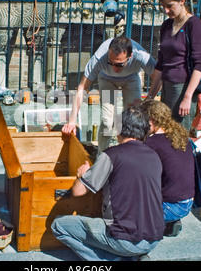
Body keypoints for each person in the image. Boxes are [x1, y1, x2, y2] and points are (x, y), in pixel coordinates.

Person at [51, 105, 164, 261]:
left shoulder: (112, 155)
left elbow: (78, 191)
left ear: (119, 129)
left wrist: (82, 175)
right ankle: (133, 258)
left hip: (125, 238)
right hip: (155, 237)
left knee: (59, 226)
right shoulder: (154, 156)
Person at [62, 36, 156, 154]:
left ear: (130, 56)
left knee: (133, 120)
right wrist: (71, 121)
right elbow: (82, 88)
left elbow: (158, 76)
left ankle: (131, 154)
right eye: (110, 62)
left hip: (131, 79)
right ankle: (101, 156)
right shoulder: (99, 57)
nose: (114, 68)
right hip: (107, 80)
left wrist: (148, 100)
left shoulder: (140, 54)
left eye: (119, 64)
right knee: (107, 122)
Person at [146, 0, 201, 132]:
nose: (166, 10)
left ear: (182, 1)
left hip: (183, 88)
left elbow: (200, 63)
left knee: (178, 137)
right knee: (163, 132)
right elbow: (161, 63)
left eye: (169, 6)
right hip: (166, 87)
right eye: (163, 6)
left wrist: (187, 97)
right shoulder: (166, 26)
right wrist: (150, 95)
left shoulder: (194, 24)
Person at [140, 99, 195, 237]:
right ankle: (170, 221)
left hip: (169, 206)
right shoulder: (181, 137)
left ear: (152, 120)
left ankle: (158, 222)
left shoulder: (151, 143)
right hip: (188, 203)